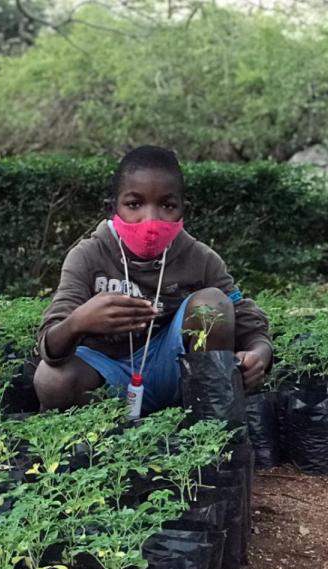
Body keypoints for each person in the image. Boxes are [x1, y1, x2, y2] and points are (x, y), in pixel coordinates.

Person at [33, 145, 272, 413]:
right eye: (134, 204)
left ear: (183, 210)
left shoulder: (200, 259)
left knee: (212, 304)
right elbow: (49, 345)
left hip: (174, 372)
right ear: (112, 208)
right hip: (109, 376)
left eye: (167, 205)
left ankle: (208, 423)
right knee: (51, 379)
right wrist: (79, 322)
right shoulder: (88, 257)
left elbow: (251, 326)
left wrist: (258, 355)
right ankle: (104, 433)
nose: (151, 220)